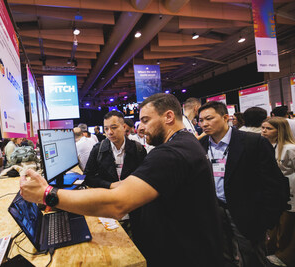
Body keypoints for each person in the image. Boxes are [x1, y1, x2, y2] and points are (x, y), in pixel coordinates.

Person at [21, 93, 223, 267]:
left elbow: (118, 203)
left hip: (186, 255)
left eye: (145, 120)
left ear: (169, 116)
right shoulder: (185, 143)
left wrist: (48, 194)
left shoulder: (170, 153)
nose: (140, 128)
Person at [198, 101, 287, 267]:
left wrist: (267, 219)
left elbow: (273, 183)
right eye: (201, 120)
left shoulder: (253, 142)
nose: (204, 124)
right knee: (223, 256)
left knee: (252, 258)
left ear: (226, 117)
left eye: (209, 118)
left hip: (247, 211)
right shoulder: (200, 145)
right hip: (215, 210)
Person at [261, 117, 295, 267]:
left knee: (286, 226)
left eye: (268, 129)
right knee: (274, 226)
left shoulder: (290, 148)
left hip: (290, 193)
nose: (263, 131)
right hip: (274, 194)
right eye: (263, 128)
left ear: (279, 131)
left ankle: (285, 256)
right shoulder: (265, 146)